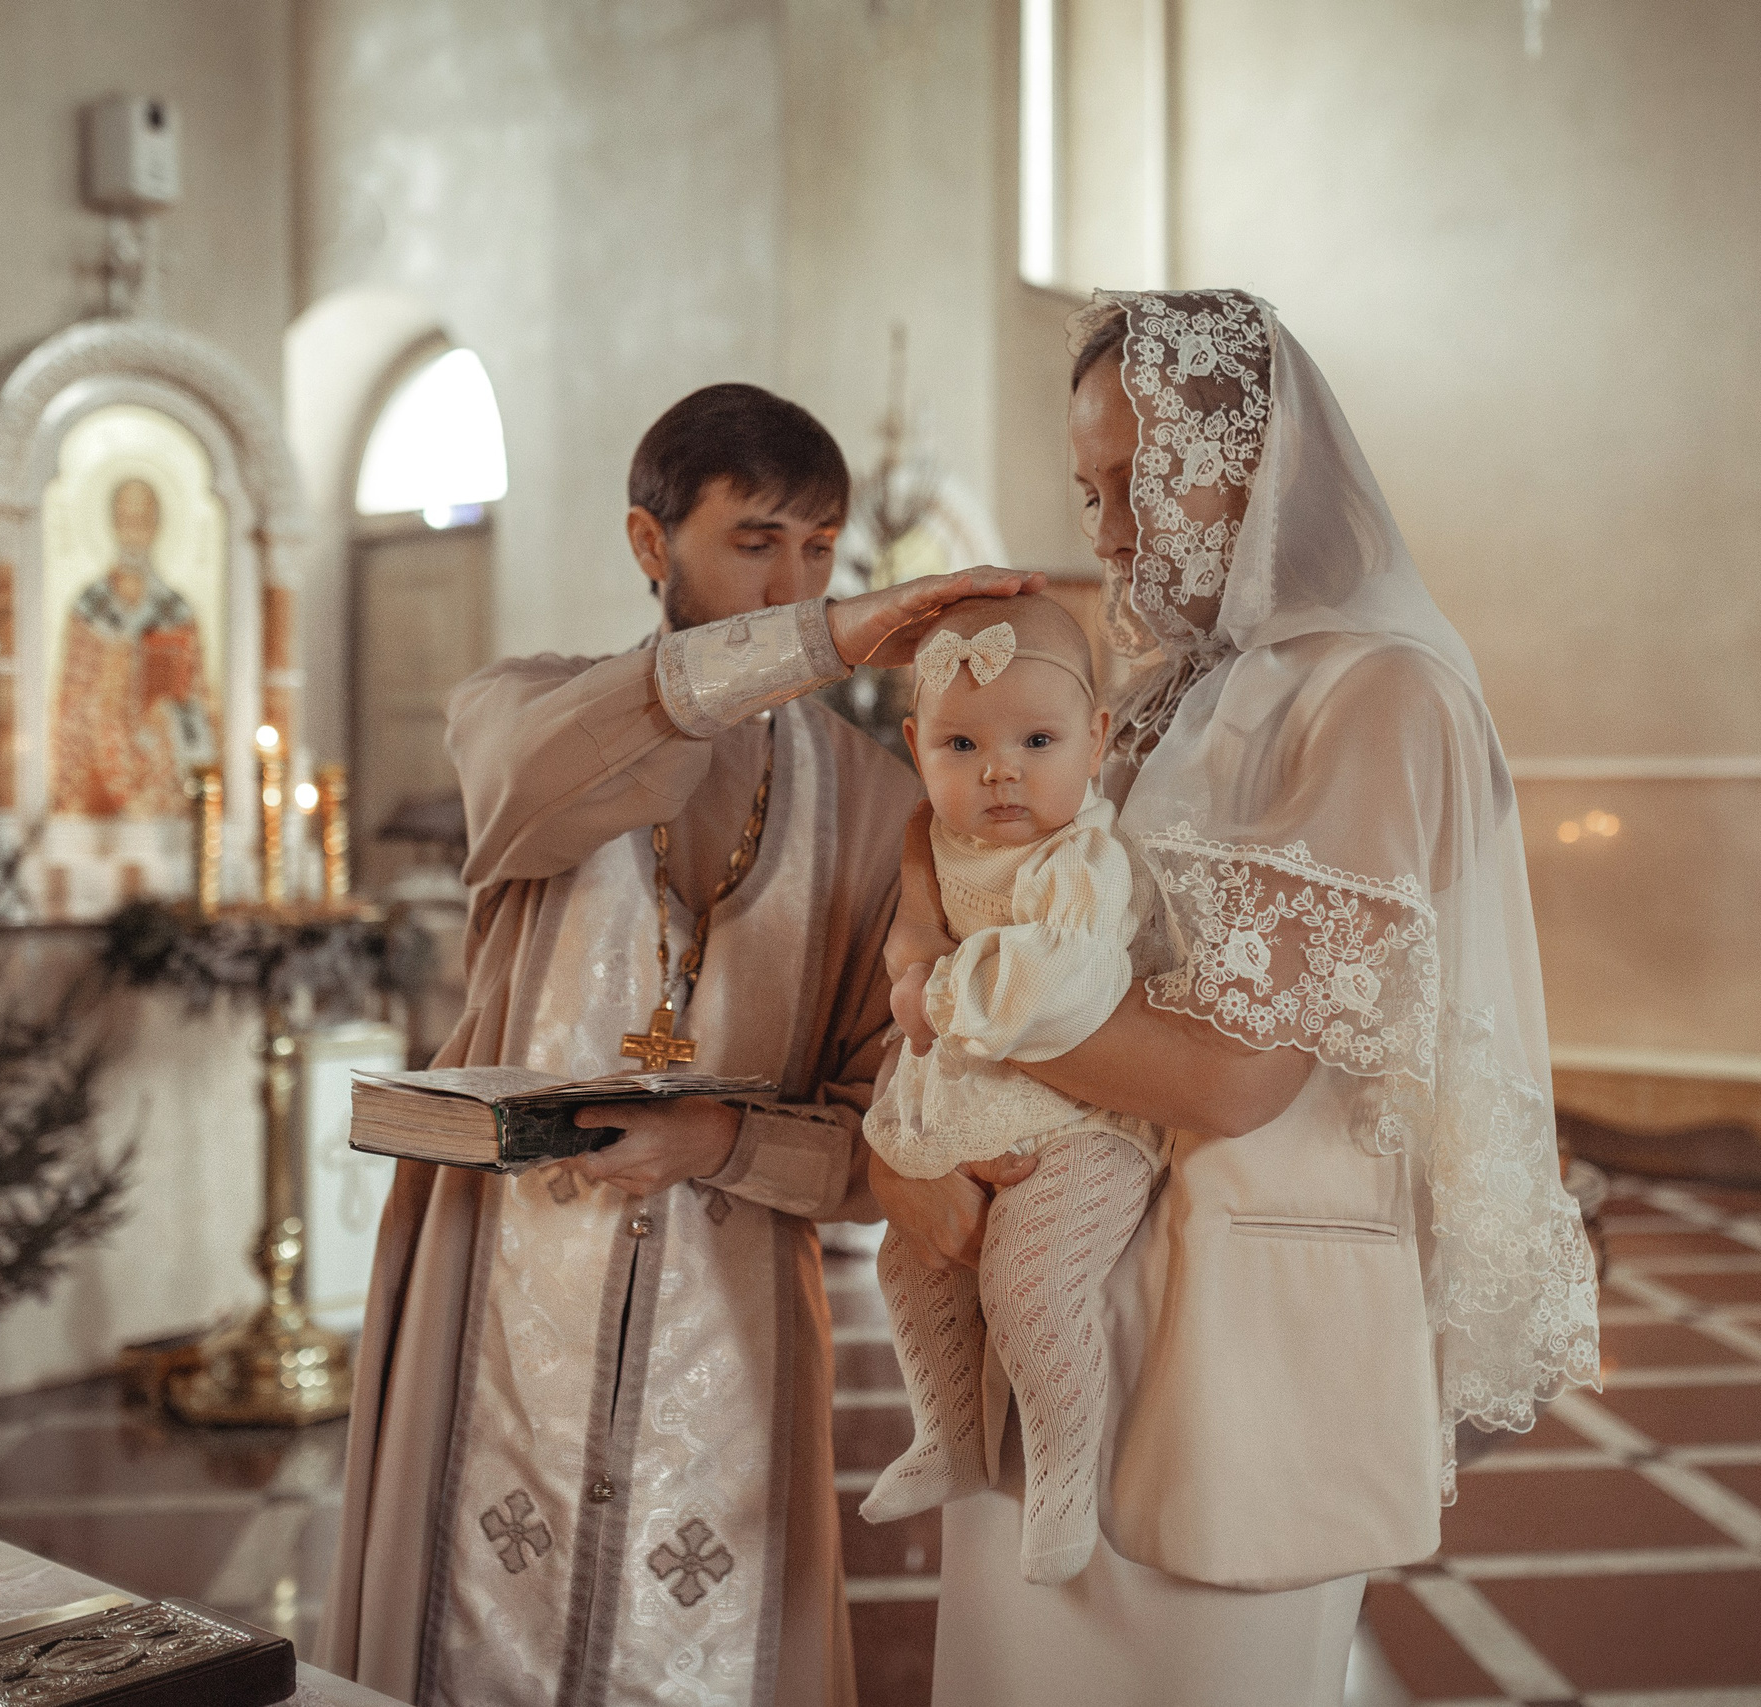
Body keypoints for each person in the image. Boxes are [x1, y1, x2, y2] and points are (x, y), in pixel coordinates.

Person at [871, 291, 1602, 1706]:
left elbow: (1234, 1074)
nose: (1111, 530)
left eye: (1138, 481)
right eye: (1091, 490)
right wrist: (915, 1148)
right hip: (1069, 1297)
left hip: (1240, 1330)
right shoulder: (1159, 698)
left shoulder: (1383, 693)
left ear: (1255, 460)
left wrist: (958, 1018)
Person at [322, 381, 1041, 1707]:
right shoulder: (521, 714)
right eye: (756, 540)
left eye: (821, 549)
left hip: (736, 1318)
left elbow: (888, 1130)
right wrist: (820, 636)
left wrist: (718, 1137)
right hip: (498, 1285)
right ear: (654, 546)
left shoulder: (878, 802)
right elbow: (608, 748)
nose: (796, 576)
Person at [856, 593, 1159, 1587]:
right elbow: (906, 937)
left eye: (1037, 739)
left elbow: (1056, 975)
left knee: (1028, 1287)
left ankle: (1065, 1475)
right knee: (909, 1266)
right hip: (965, 1104)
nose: (1000, 770)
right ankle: (946, 1433)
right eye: (960, 744)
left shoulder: (1079, 856)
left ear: (1096, 739)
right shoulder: (931, 839)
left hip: (1081, 1123)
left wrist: (932, 987)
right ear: (914, 745)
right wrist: (911, 966)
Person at [48, 478, 215, 818]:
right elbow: (70, 701)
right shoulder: (88, 609)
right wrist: (110, 685)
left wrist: (167, 711)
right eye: (126, 519)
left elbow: (197, 700)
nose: (134, 531)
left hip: (163, 771)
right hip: (97, 770)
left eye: (143, 520)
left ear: (158, 526)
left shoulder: (177, 612)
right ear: (112, 524)